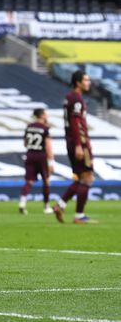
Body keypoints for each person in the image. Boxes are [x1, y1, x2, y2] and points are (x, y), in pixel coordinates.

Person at [52, 70, 96, 224]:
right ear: (78, 82)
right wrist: (79, 145)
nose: (88, 83)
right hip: (80, 143)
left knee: (81, 178)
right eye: (86, 80)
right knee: (88, 178)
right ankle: (79, 216)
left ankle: (60, 205)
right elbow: (75, 122)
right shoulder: (77, 99)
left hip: (71, 142)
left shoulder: (69, 97)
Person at [19, 108, 55, 215]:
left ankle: (22, 203)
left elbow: (25, 144)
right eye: (46, 113)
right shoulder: (45, 128)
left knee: (29, 181)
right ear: (42, 115)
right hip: (41, 155)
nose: (47, 115)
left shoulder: (29, 126)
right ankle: (46, 207)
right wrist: (51, 162)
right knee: (46, 181)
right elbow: (48, 146)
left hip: (30, 154)